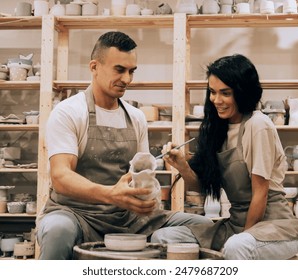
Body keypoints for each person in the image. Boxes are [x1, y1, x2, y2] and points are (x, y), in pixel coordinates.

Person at [36, 31, 213, 260]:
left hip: (127, 216)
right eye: (119, 70)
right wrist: (111, 194)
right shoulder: (69, 112)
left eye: (131, 71)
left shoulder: (136, 117)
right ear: (94, 67)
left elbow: (140, 175)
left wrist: (148, 194)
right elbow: (60, 177)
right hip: (77, 214)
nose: (128, 79)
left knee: (205, 225)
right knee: (57, 230)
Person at [160, 54, 298, 260]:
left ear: (242, 93)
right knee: (164, 238)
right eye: (212, 92)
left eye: (225, 93)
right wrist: (182, 165)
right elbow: (202, 188)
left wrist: (244, 238)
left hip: (273, 227)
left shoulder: (258, 125)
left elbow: (260, 194)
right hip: (235, 225)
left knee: (237, 247)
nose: (216, 100)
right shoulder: (217, 129)